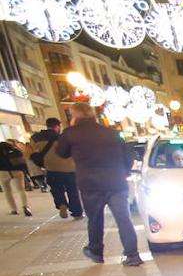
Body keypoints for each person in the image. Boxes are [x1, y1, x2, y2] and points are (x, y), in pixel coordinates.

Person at [55, 102, 141, 266]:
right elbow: (128, 157)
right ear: (93, 115)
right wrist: (123, 172)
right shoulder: (111, 133)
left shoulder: (71, 133)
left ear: (75, 116)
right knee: (124, 219)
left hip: (90, 184)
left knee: (94, 219)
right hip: (116, 182)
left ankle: (96, 251)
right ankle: (132, 254)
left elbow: (61, 152)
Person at [34, 118, 83, 219]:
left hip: (51, 169)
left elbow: (30, 153)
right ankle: (77, 213)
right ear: (57, 126)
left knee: (56, 189)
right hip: (69, 168)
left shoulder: (36, 138)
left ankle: (61, 204)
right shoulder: (63, 137)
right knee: (73, 190)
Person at [0, 139, 31, 216]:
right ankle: (25, 206)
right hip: (17, 171)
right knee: (21, 190)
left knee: (7, 192)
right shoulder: (16, 151)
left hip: (3, 172)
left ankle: (14, 209)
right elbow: (23, 162)